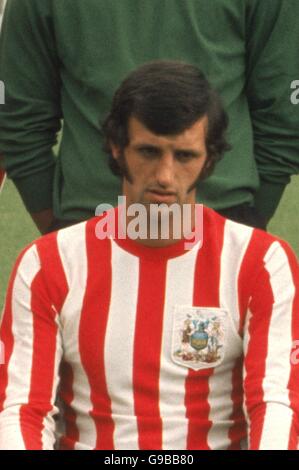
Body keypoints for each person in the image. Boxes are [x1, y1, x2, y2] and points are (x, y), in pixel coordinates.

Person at [0, 61, 298, 450]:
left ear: (209, 160)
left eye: (185, 156)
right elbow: (22, 408)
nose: (164, 175)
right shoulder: (48, 263)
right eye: (149, 151)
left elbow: (276, 404)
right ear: (116, 148)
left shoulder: (260, 262)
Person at [0, 0, 298, 234]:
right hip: (94, 222)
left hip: (214, 219)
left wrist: (245, 223)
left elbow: (284, 115)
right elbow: (15, 119)